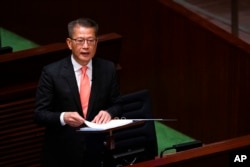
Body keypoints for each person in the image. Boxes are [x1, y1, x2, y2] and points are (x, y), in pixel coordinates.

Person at [34, 17, 122, 167]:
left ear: (96, 43)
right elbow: (39, 114)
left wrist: (109, 112)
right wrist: (63, 117)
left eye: (90, 40)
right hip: (62, 154)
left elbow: (117, 104)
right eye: (80, 41)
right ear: (69, 43)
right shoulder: (52, 73)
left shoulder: (107, 69)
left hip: (97, 151)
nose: (86, 46)